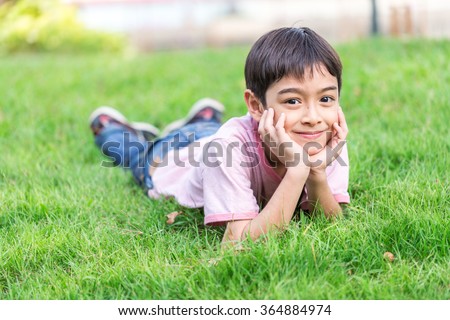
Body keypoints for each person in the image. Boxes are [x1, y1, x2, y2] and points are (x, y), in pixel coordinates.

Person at [89, 27, 349, 246]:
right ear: (256, 106)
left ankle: (205, 118)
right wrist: (296, 171)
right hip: (174, 156)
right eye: (293, 101)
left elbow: (330, 223)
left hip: (210, 137)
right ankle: (110, 126)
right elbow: (236, 243)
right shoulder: (227, 147)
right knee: (135, 155)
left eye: (326, 98)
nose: (313, 116)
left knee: (208, 132)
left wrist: (316, 172)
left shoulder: (320, 135)